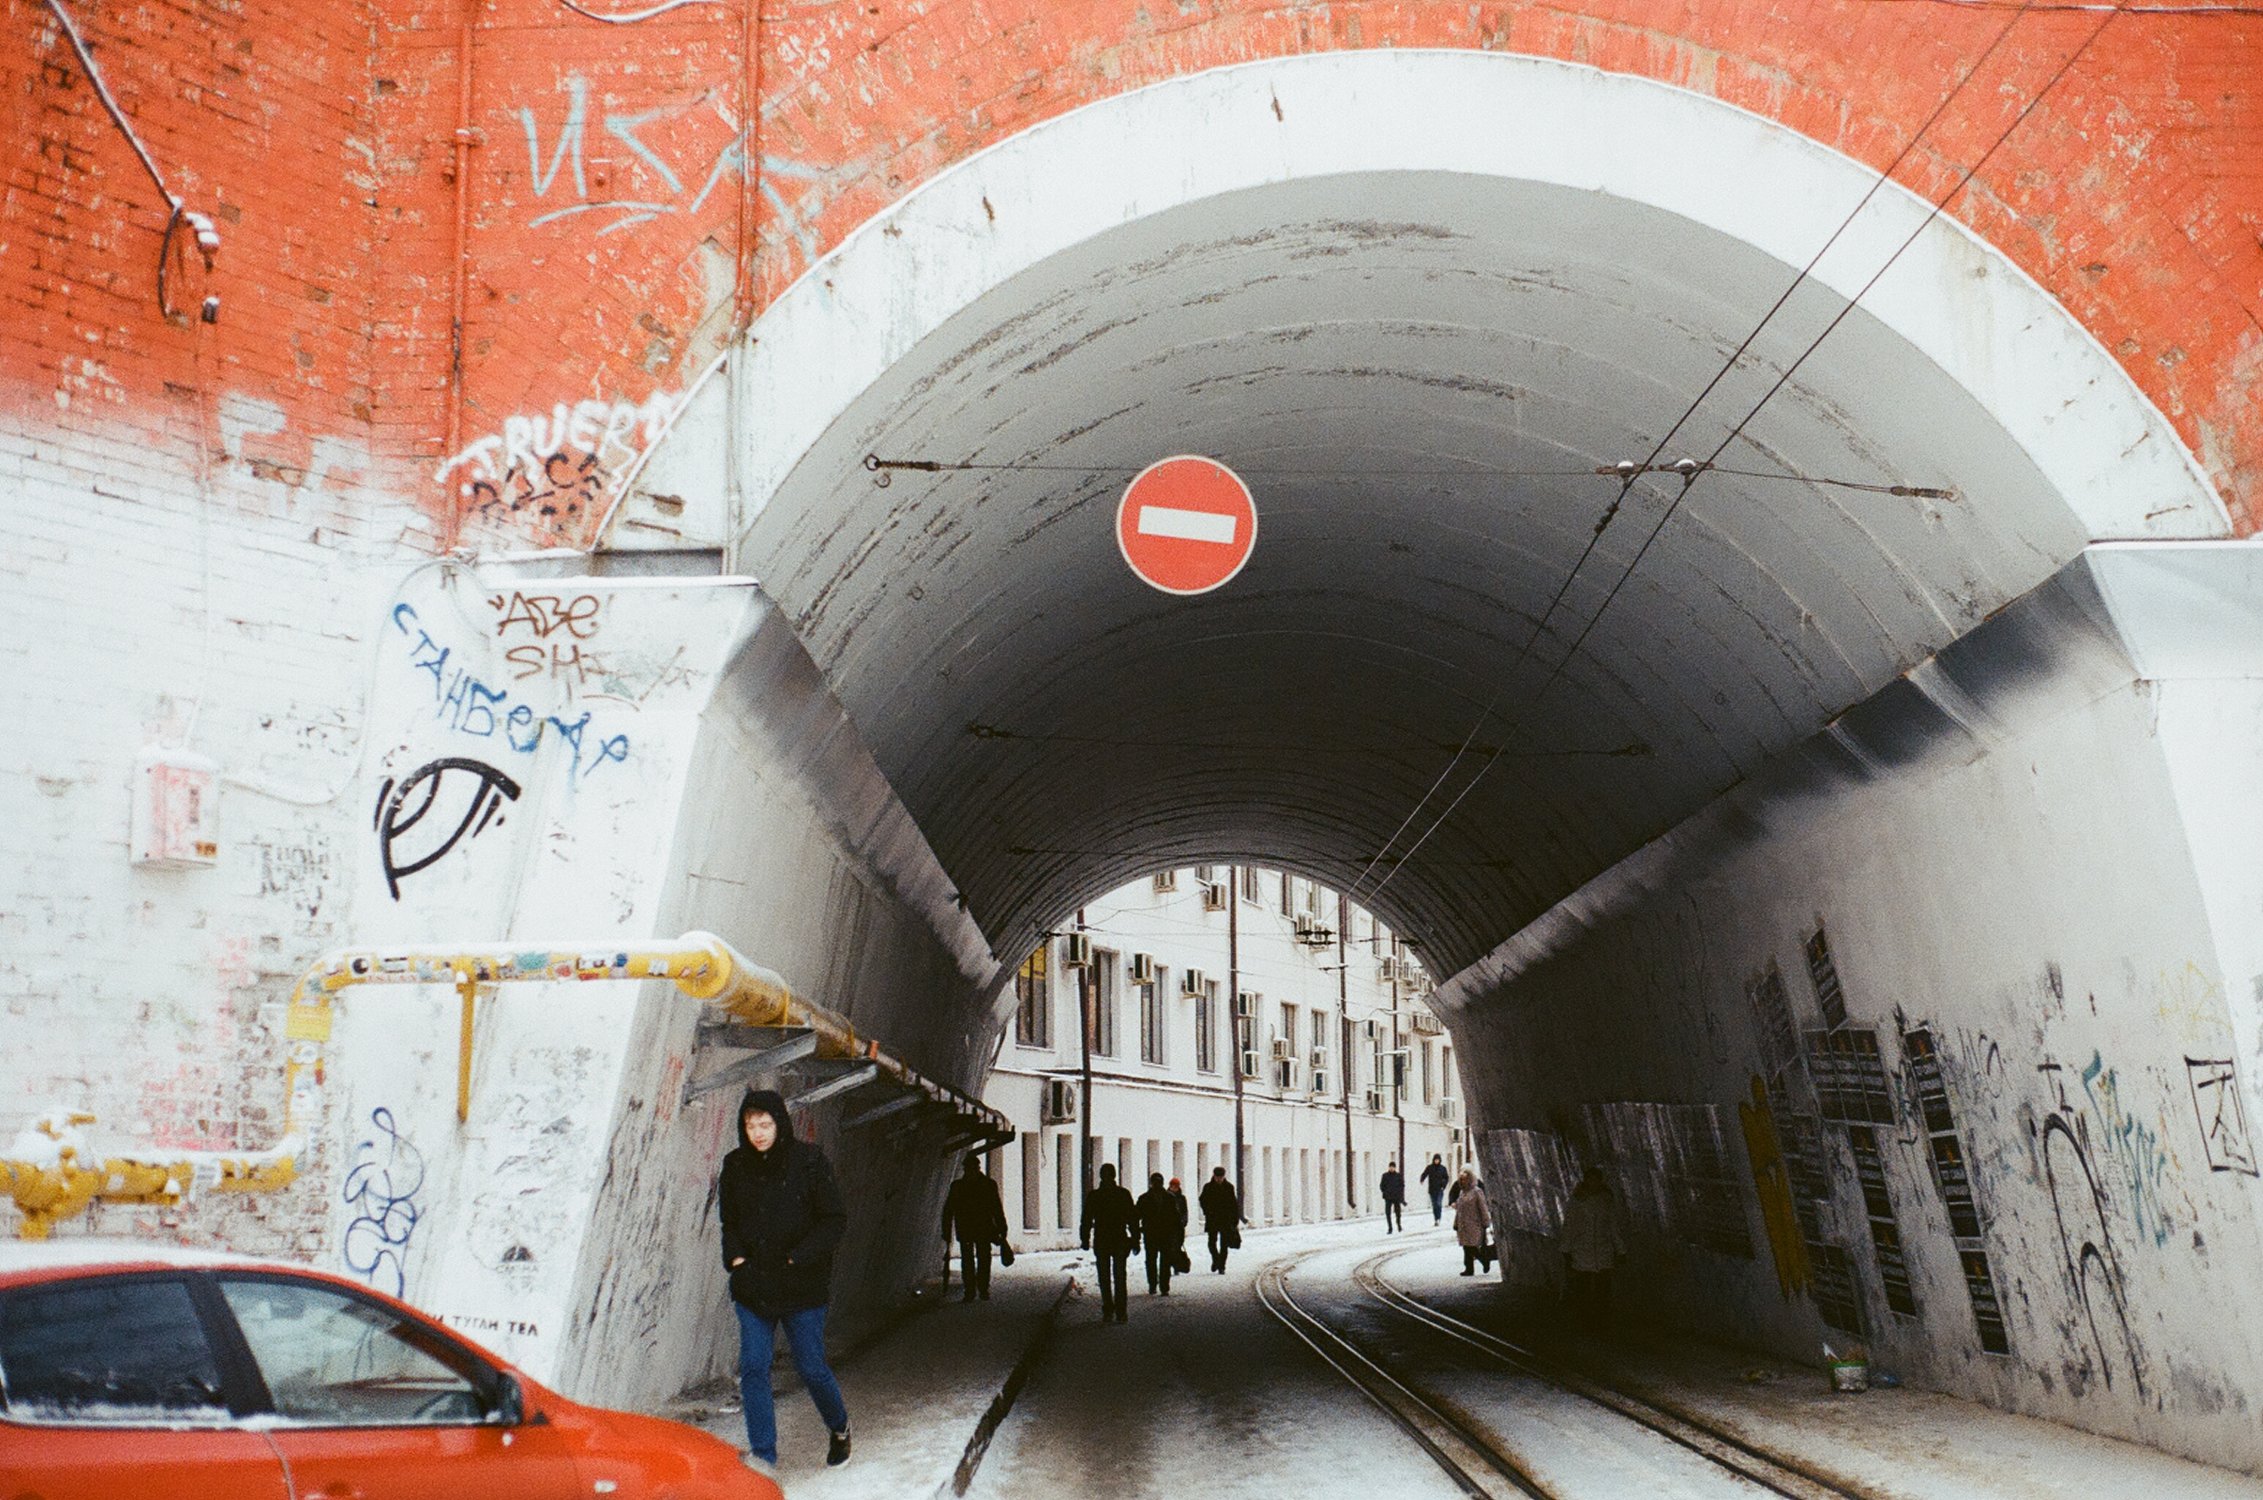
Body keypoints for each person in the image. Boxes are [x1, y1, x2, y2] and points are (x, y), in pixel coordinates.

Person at [719, 1089, 852, 1469]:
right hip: (754, 1285)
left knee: (810, 1366)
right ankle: (764, 1457)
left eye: (765, 1124)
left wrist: (798, 1257)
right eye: (750, 1125)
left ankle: (839, 1426)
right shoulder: (736, 1166)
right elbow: (730, 1223)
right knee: (754, 1366)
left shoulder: (808, 1162)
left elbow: (834, 1220)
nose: (757, 1133)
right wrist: (737, 1260)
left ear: (780, 1123)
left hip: (801, 1287)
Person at [1559, 1170, 1627, 1330]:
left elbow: (1612, 1227)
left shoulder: (1606, 1201)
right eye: (1591, 1180)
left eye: (1596, 1180)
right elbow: (1570, 1227)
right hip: (1582, 1250)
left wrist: (1620, 1250)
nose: (1594, 1183)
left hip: (1603, 1251)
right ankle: (1586, 1319)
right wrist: (1566, 1250)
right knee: (1584, 1288)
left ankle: (1600, 1319)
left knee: (1603, 1289)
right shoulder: (1577, 1202)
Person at [940, 1154, 1009, 1302]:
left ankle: (975, 1290)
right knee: (979, 1259)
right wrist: (1002, 1229)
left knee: (973, 1259)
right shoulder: (987, 1184)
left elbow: (949, 1210)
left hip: (972, 1229)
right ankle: (977, 1290)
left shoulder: (959, 1186)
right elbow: (996, 1208)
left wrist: (946, 1232)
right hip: (978, 1229)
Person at [1081, 1162, 1140, 1323]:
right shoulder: (1122, 1194)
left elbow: (1086, 1219)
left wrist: (1085, 1238)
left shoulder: (1095, 1196)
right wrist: (1136, 1240)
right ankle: (1121, 1312)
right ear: (1115, 1175)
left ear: (1101, 1176)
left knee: (1104, 1276)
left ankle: (1108, 1309)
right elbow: (1132, 1218)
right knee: (1120, 1276)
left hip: (1102, 1239)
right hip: (1119, 1238)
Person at [1137, 1172, 1186, 1296]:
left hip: (1153, 1233)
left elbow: (1136, 1215)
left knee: (1152, 1260)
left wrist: (1137, 1232)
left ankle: (1154, 1285)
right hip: (1164, 1233)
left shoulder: (1145, 1198)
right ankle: (1163, 1286)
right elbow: (1176, 1218)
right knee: (1163, 1260)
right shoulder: (1169, 1198)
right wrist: (1179, 1234)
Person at [1199, 1166, 1242, 1272]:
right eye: (1217, 1177)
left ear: (1224, 1176)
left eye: (1221, 1177)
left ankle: (1221, 1266)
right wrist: (1207, 1211)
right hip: (1212, 1218)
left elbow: (1234, 1204)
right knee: (1211, 1242)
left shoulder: (1229, 1187)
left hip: (1225, 1219)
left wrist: (1235, 1219)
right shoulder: (1208, 1187)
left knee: (1224, 1244)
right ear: (1214, 1176)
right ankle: (1216, 1259)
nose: (1219, 1179)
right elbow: (1202, 1200)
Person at [1452, 1168, 1493, 1277]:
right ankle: (1469, 1268)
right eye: (1461, 1180)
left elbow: (1483, 1207)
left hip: (1474, 1223)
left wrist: (1486, 1221)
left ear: (1470, 1179)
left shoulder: (1476, 1191)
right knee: (1466, 1246)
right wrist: (1456, 1223)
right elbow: (1459, 1209)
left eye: (1464, 1179)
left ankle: (1484, 1260)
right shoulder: (1462, 1193)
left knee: (1472, 1246)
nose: (1462, 1182)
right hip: (1463, 1224)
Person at [1421, 1154, 1452, 1225]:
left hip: (1440, 1189)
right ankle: (1436, 1218)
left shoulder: (1442, 1168)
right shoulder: (1430, 1167)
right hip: (1432, 1189)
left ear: (1440, 1160)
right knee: (1434, 1204)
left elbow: (1446, 1178)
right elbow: (1425, 1173)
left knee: (1438, 1203)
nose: (1436, 1161)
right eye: (1435, 1160)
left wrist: (1443, 1186)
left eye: (1438, 1160)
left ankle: (1439, 1218)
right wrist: (1422, 1179)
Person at [1379, 1160, 1405, 1233]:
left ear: (1395, 1168)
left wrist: (1399, 1193)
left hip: (1396, 1197)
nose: (1391, 1168)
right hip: (1388, 1197)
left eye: (1393, 1167)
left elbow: (1402, 1185)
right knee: (1388, 1213)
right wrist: (1385, 1191)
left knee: (1398, 1212)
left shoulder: (1398, 1176)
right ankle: (1390, 1227)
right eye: (1390, 1167)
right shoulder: (1385, 1176)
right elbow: (1381, 1185)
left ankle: (1399, 1224)